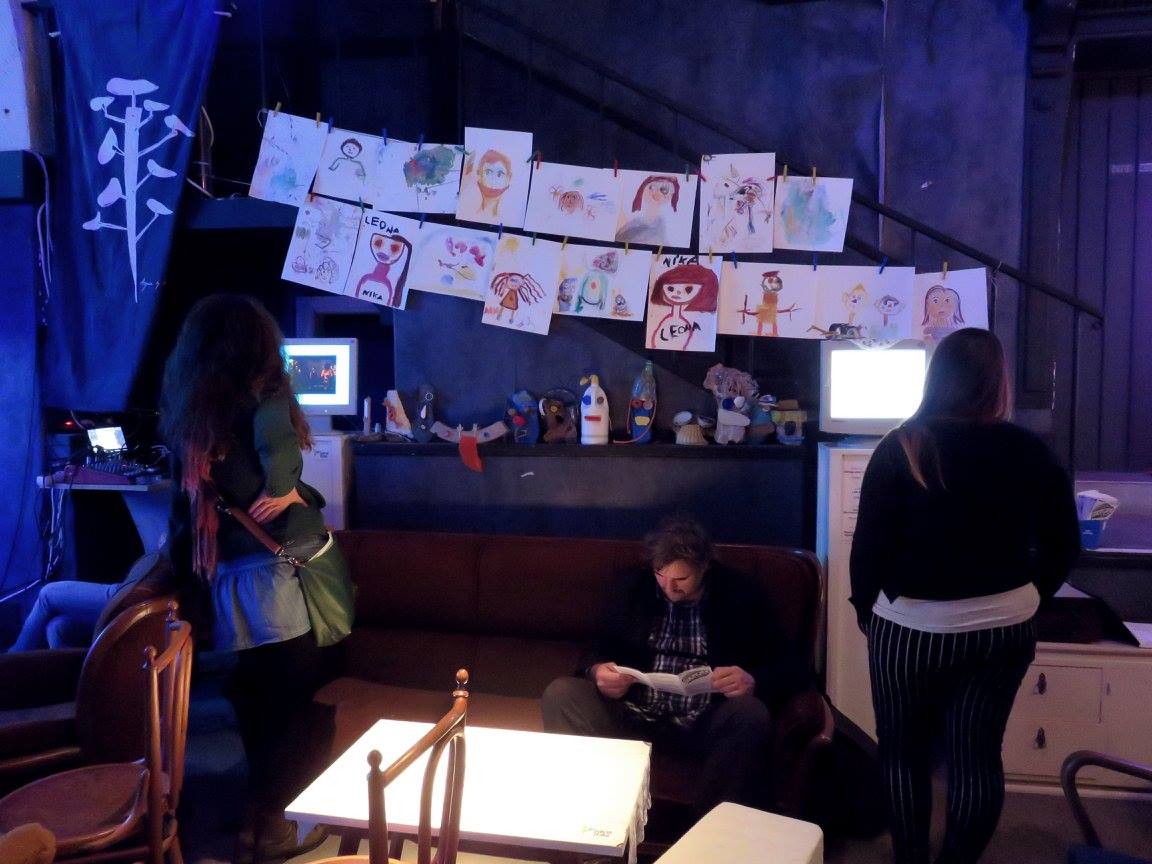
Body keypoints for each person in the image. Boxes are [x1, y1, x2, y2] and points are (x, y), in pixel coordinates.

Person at [849, 328, 1080, 864]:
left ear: (937, 378)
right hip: (1003, 627)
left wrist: (867, 611)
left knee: (902, 754)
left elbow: (869, 545)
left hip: (909, 627)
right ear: (998, 382)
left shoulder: (902, 446)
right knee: (976, 757)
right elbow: (1064, 543)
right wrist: (1032, 596)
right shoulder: (1029, 450)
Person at [161, 294, 351, 864]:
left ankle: (255, 815)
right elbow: (278, 476)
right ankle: (275, 823)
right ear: (261, 346)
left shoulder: (191, 417)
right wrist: (294, 491)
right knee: (300, 698)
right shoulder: (266, 400)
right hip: (280, 576)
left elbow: (188, 516)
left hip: (229, 579)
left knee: (253, 693)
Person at [542, 516, 807, 815]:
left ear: (704, 567)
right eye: (661, 574)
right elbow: (596, 646)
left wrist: (752, 680)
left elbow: (793, 667)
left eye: (681, 579)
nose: (669, 587)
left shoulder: (739, 595)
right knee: (562, 693)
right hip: (635, 712)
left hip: (702, 721)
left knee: (749, 713)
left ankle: (712, 829)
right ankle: (582, 815)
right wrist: (598, 670)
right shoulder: (634, 587)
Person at [6, 552, 173, 652]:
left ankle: (12, 660)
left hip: (134, 595)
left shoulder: (179, 529)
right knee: (58, 626)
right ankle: (71, 688)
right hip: (142, 592)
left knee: (47, 594)